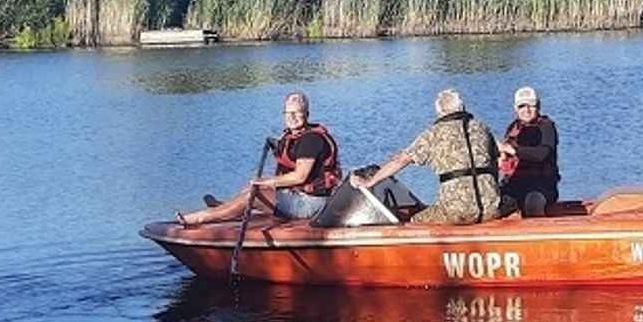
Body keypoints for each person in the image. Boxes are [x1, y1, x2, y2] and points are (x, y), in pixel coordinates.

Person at [176, 91, 341, 226]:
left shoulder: (311, 140)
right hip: (297, 196)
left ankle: (199, 218)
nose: (292, 117)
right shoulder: (293, 136)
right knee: (249, 188)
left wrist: (265, 182)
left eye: (296, 112)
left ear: (306, 114)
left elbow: (300, 176)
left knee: (253, 194)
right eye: (288, 112)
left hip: (313, 204)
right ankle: (227, 208)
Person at [350, 88, 506, 224]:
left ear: (439, 111)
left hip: (456, 212)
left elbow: (400, 160)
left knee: (414, 219)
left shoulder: (434, 133)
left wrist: (370, 182)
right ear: (462, 106)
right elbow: (495, 163)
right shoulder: (482, 128)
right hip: (491, 208)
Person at [498, 84, 560, 217]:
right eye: (522, 106)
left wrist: (513, 150)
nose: (526, 110)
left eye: (531, 105)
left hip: (542, 185)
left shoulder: (547, 126)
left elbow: (542, 154)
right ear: (515, 108)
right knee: (492, 204)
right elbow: (504, 160)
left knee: (533, 202)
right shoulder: (513, 128)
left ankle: (540, 234)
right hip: (515, 184)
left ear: (538, 106)